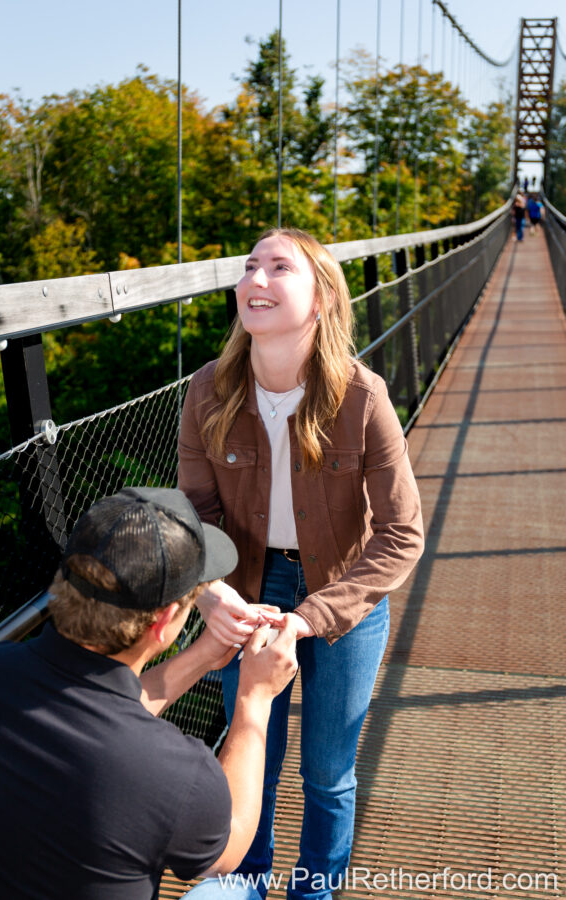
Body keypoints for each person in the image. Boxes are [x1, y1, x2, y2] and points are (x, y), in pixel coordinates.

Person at [178, 227, 425, 900]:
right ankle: (246, 885)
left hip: (345, 598)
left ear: (319, 298)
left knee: (327, 774)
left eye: (277, 267)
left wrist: (312, 617)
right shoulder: (207, 392)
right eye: (249, 265)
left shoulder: (362, 398)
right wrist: (210, 595)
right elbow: (195, 516)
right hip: (247, 590)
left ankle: (312, 894)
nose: (255, 279)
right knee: (249, 757)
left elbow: (402, 534)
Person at [0, 487, 298, 900]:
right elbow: (227, 852)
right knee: (235, 892)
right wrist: (254, 700)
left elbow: (92, 711)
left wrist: (203, 656)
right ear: (163, 623)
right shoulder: (173, 772)